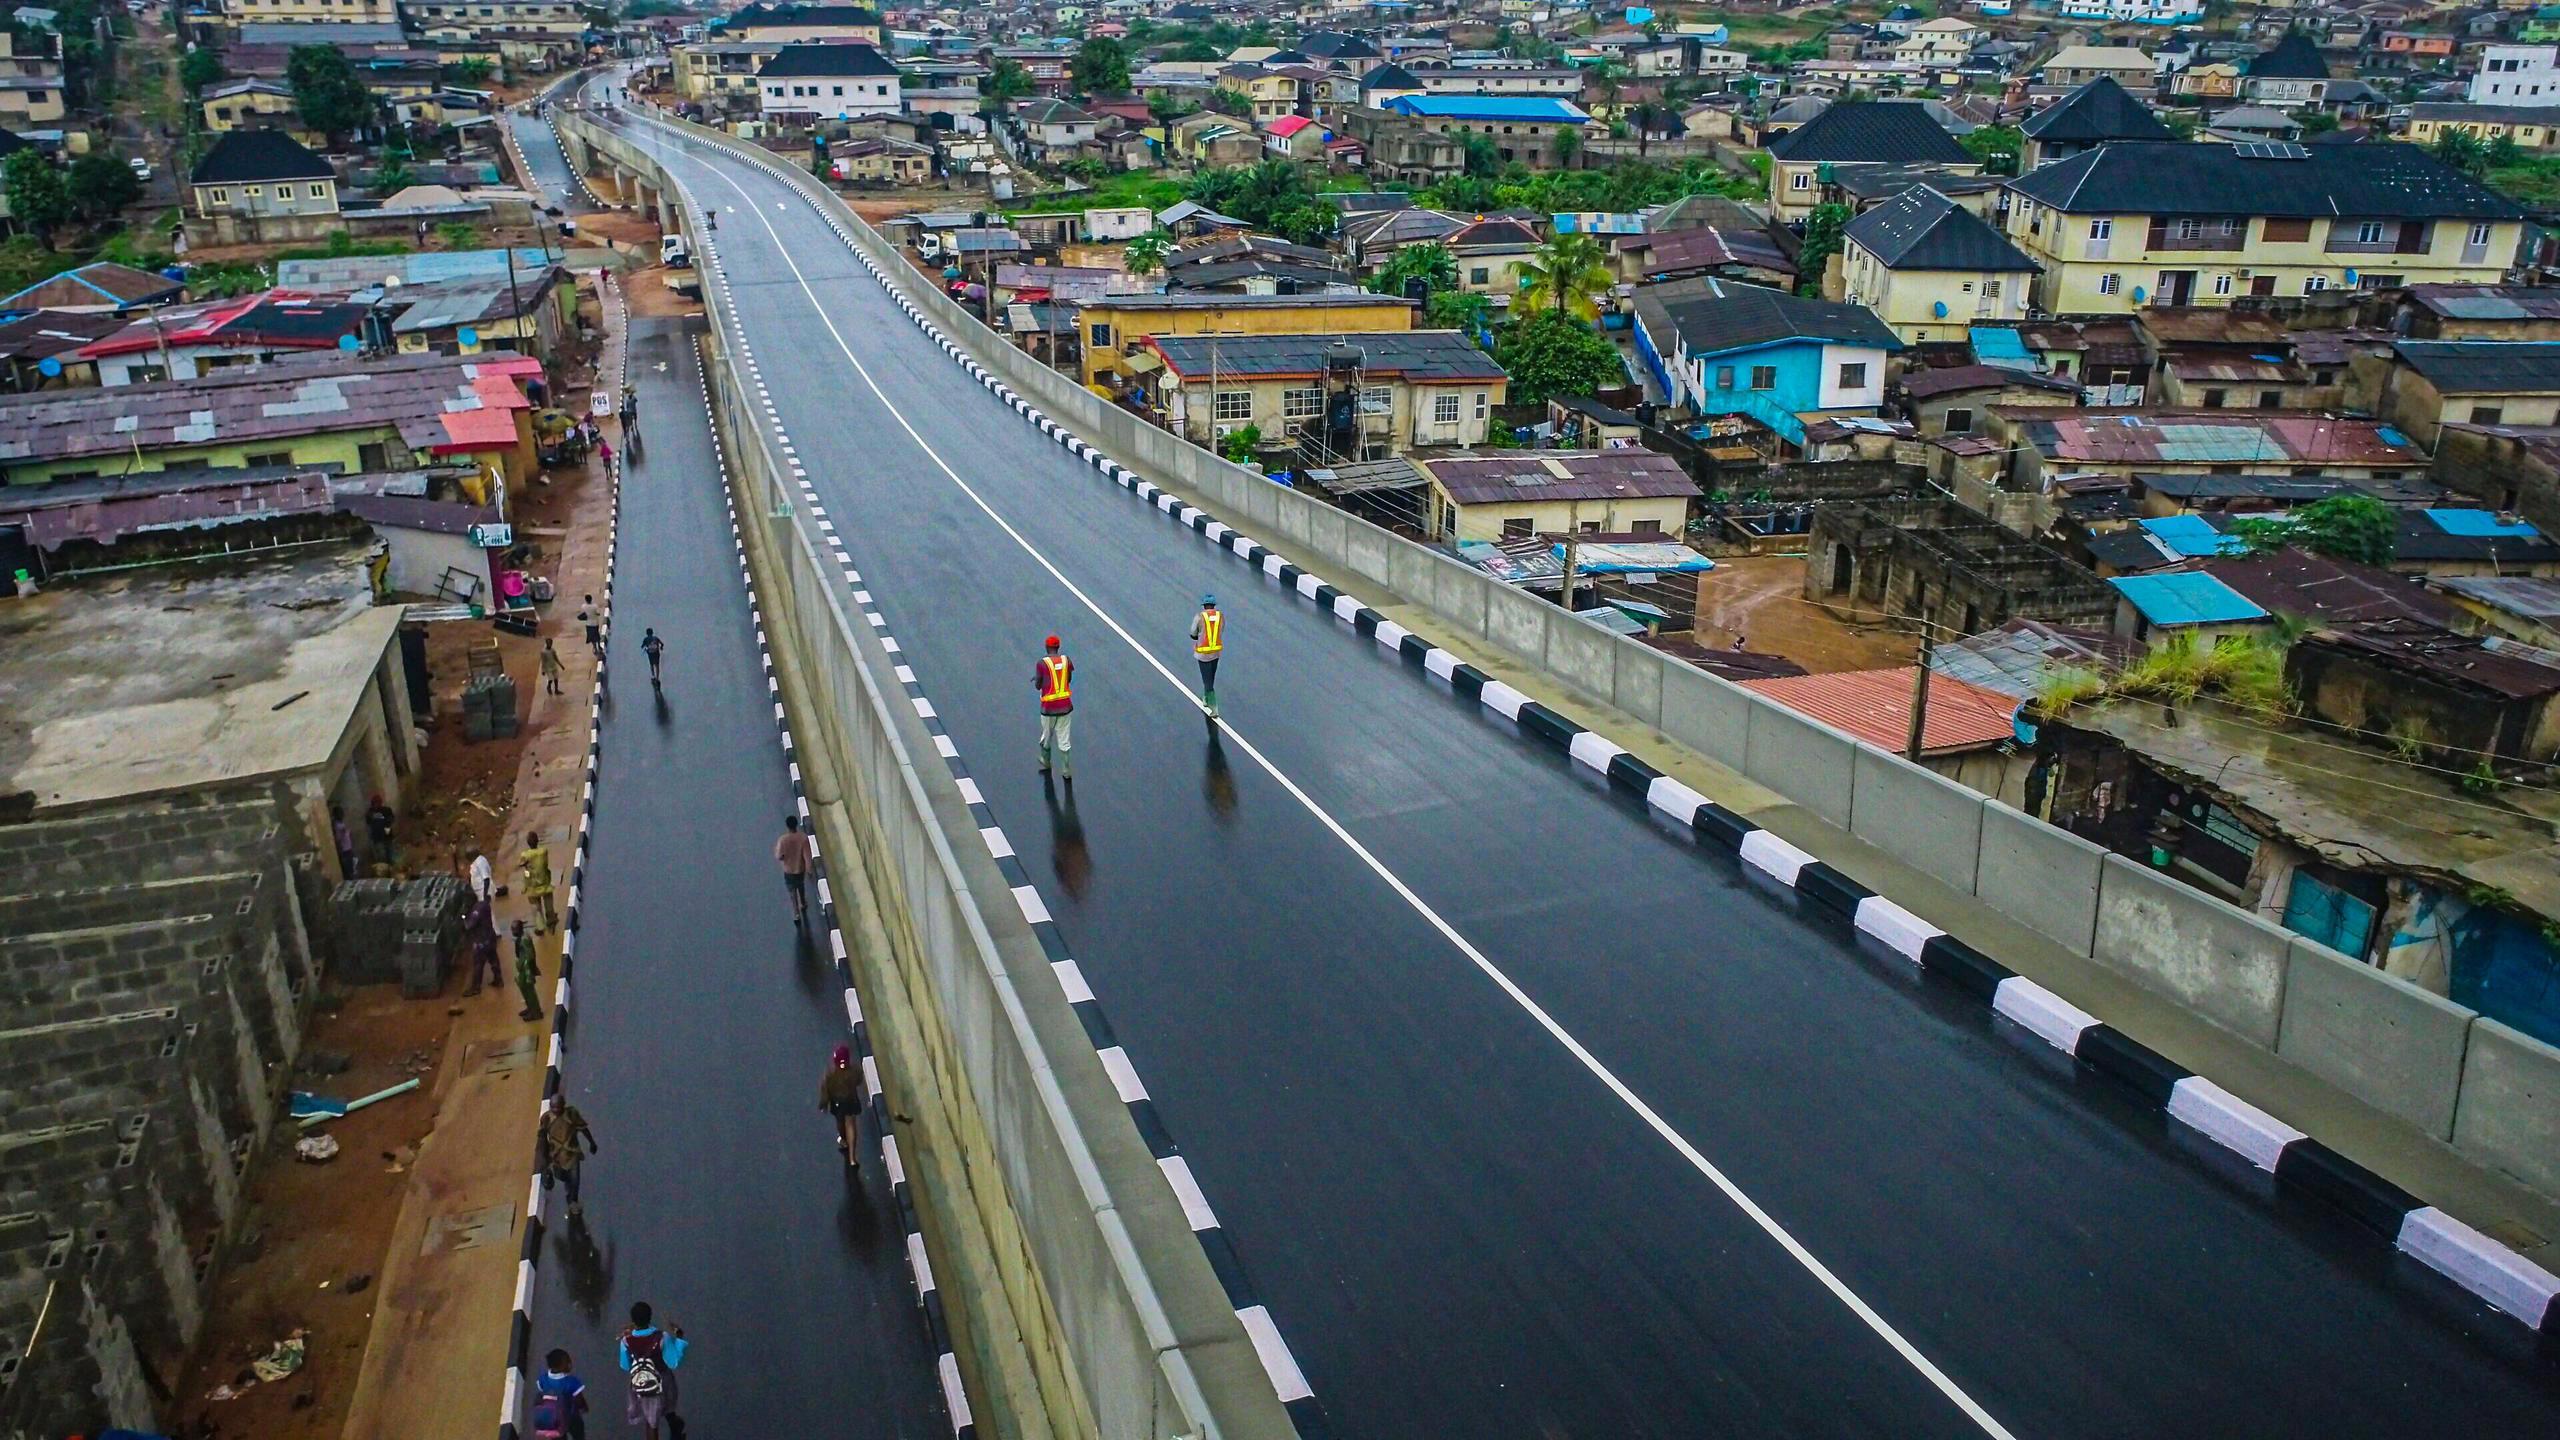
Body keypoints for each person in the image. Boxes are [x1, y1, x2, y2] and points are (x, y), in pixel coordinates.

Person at [618, 1302, 686, 1440]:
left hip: (641, 1383)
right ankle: (674, 1426)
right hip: (662, 1382)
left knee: (651, 1421)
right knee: (666, 1408)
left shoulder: (626, 1341)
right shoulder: (662, 1337)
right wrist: (679, 1339)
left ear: (633, 1321)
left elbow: (625, 1365)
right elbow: (674, 1362)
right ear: (650, 1317)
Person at [540, 1099, 598, 1218]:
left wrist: (592, 1142)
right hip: (556, 1157)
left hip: (572, 1153)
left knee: (575, 1179)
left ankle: (573, 1201)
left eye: (558, 1108)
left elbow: (583, 1129)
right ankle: (568, 1184)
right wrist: (544, 1160)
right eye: (553, 1108)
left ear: (563, 1106)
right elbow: (542, 1139)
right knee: (561, 1176)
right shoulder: (546, 1119)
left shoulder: (571, 1114)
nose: (556, 1110)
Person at [818, 1043, 864, 1166]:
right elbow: (859, 1079)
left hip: (838, 1103)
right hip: (851, 1100)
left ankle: (844, 1140)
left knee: (841, 1122)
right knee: (851, 1125)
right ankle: (852, 1157)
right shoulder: (854, 1070)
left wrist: (823, 1104)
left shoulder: (830, 1074)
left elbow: (825, 1089)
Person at [1035, 634, 1074, 779]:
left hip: (1048, 708)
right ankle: (1066, 769)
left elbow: (1038, 685)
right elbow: (1068, 678)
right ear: (1058, 647)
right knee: (1064, 739)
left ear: (1046, 647)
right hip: (1065, 707)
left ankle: (1046, 761)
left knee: (1046, 736)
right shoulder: (1066, 660)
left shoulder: (1042, 663)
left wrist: (1040, 680)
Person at [537, 1349, 590, 1440]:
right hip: (571, 1417)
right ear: (560, 1366)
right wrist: (584, 1407)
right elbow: (579, 1399)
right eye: (567, 1361)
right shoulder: (571, 1382)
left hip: (553, 1419)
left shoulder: (543, 1379)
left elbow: (541, 1394)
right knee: (578, 1434)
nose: (570, 1363)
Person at [774, 814, 812, 925]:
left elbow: (779, 856)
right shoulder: (803, 838)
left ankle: (796, 913)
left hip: (788, 870)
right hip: (800, 869)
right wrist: (809, 869)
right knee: (801, 886)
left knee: (792, 891)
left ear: (787, 826)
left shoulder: (783, 840)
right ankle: (803, 903)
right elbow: (807, 856)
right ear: (796, 825)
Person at [1190, 595, 1223, 719]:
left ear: (1204, 606)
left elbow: (1193, 633)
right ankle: (1205, 698)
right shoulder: (1220, 617)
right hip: (1216, 653)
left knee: (1207, 680)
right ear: (1214, 605)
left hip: (1203, 654)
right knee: (1211, 677)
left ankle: (1214, 708)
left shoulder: (1200, 617)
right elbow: (1221, 630)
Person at [464, 895, 502, 996]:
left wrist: (463, 918)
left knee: (478, 964)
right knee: (494, 959)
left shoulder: (475, 912)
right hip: (491, 937)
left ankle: (475, 988)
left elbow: (468, 926)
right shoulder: (484, 905)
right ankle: (498, 979)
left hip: (481, 941)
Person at [521, 830, 557, 931]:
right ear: (537, 841)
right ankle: (551, 920)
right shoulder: (543, 852)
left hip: (532, 886)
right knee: (548, 903)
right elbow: (545, 865)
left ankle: (540, 926)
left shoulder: (525, 855)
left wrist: (525, 885)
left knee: (535, 907)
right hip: (545, 883)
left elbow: (526, 870)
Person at [513, 918, 544, 1022]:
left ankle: (536, 1012)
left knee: (529, 991)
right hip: (522, 968)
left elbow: (529, 956)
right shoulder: (520, 939)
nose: (513, 932)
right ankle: (530, 1008)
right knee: (523, 988)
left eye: (514, 929)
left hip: (526, 970)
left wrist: (527, 971)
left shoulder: (524, 940)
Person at [365, 794, 397, 868]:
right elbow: (368, 822)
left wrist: (385, 821)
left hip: (386, 833)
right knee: (381, 855)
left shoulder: (386, 810)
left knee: (389, 852)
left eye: (377, 803)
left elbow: (391, 819)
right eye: (374, 803)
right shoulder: (370, 812)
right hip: (377, 836)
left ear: (380, 803)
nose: (375, 805)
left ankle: (391, 867)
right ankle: (384, 869)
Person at [331, 804, 358, 880]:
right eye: (340, 813)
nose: (342, 815)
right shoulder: (336, 825)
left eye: (342, 813)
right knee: (349, 872)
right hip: (344, 851)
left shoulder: (341, 823)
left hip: (348, 849)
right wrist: (341, 851)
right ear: (336, 815)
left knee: (352, 869)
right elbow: (337, 839)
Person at [581, 597, 605, 662]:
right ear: (591, 599)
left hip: (588, 624)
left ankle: (594, 647)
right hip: (595, 623)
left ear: (586, 600)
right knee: (597, 635)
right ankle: (599, 646)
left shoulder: (583, 606)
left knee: (591, 636)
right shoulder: (594, 606)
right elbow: (597, 613)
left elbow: (583, 613)